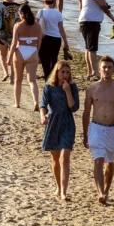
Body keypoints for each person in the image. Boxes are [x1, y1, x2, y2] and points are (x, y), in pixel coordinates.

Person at [81, 55, 114, 205]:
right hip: (96, 127)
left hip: (112, 129)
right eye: (104, 67)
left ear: (113, 69)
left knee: (110, 162)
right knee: (99, 160)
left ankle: (106, 191)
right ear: (99, 69)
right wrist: (85, 134)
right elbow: (86, 113)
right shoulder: (92, 89)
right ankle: (100, 192)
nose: (107, 70)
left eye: (109, 67)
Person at [41, 60, 79, 202]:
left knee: (65, 157)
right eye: (62, 72)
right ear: (57, 72)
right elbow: (43, 104)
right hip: (53, 122)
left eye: (67, 72)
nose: (65, 75)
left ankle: (63, 192)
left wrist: (68, 91)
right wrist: (42, 116)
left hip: (67, 123)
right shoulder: (49, 87)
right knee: (55, 158)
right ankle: (58, 186)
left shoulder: (73, 87)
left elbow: (74, 108)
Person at [77, 0, 114, 80]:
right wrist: (113, 18)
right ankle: (95, 72)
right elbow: (103, 6)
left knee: (88, 47)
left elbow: (102, 2)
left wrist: (105, 4)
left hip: (84, 20)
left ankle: (90, 71)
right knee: (92, 48)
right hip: (91, 21)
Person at [7, 3, 43, 111]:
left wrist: (9, 58)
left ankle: (17, 103)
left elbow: (14, 43)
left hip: (20, 51)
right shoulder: (37, 25)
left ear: (21, 13)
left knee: (18, 80)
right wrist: (36, 51)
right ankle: (36, 101)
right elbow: (39, 41)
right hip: (32, 51)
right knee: (32, 80)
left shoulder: (18, 25)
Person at [35, 0, 69, 81]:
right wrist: (65, 42)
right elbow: (61, 29)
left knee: (44, 60)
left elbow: (36, 25)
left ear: (44, 2)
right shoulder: (57, 13)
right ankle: (53, 78)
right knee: (54, 59)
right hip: (56, 39)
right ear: (53, 2)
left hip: (44, 38)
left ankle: (47, 77)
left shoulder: (41, 12)